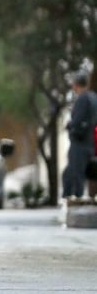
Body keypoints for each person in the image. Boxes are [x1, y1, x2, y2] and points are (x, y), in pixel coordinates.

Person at [62, 71, 97, 199]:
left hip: (79, 143)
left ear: (76, 85)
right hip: (90, 143)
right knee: (76, 174)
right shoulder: (93, 97)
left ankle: (76, 201)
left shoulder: (82, 99)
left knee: (75, 175)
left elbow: (77, 121)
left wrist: (70, 127)